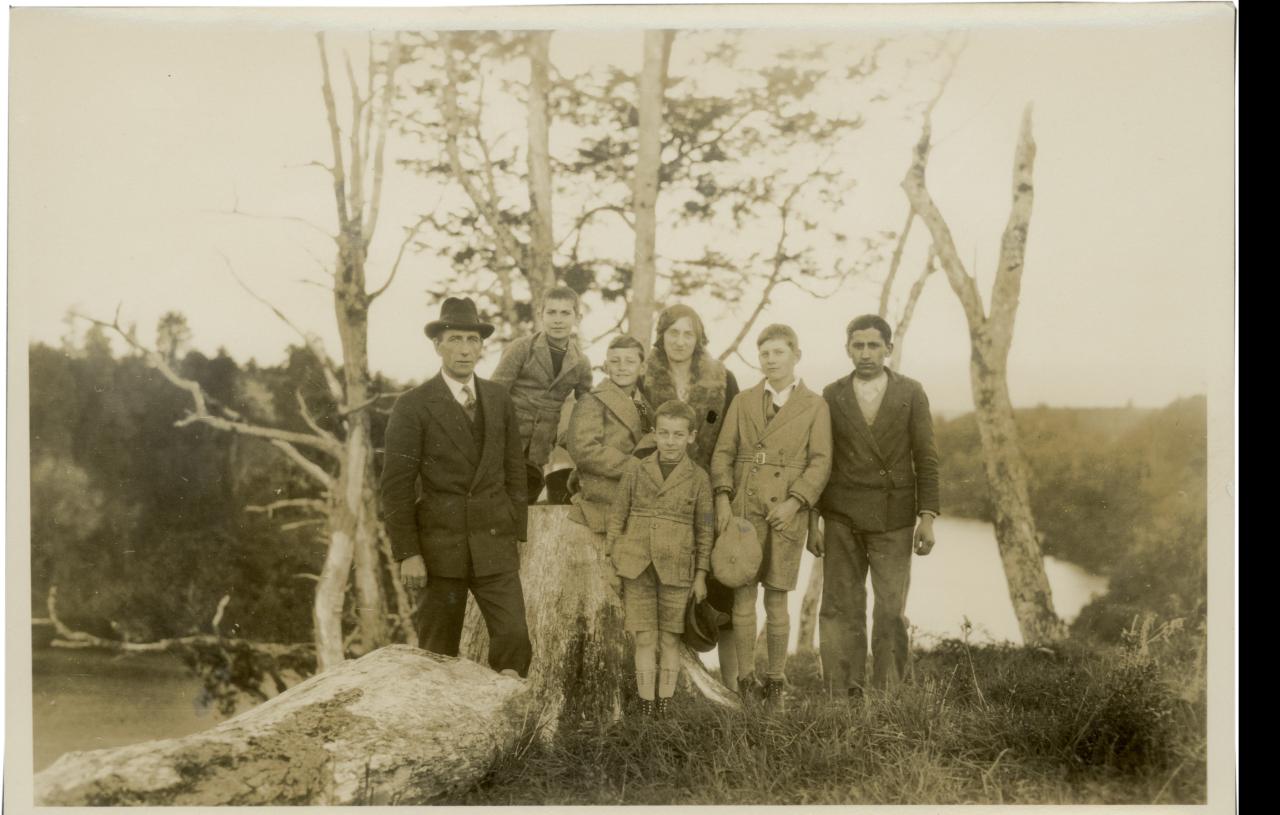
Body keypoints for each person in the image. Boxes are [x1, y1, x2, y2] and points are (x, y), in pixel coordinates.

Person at [379, 296, 532, 677]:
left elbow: (516, 469)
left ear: (482, 346)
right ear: (438, 345)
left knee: (514, 640)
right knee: (436, 655)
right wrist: (408, 553)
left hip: (494, 544)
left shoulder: (498, 399)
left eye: (472, 340)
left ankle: (510, 729)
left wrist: (515, 528)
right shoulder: (413, 405)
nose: (465, 349)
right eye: (456, 339)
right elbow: (396, 487)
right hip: (440, 550)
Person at [814, 314, 940, 700]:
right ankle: (841, 691)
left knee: (890, 609)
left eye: (873, 345)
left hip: (895, 517)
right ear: (847, 349)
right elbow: (820, 459)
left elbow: (927, 458)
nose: (865, 354)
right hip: (842, 515)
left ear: (889, 348)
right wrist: (812, 522)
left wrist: (927, 517)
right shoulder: (832, 394)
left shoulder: (911, 392)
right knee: (840, 606)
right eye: (858, 346)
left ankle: (888, 693)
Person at [710, 324, 832, 706]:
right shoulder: (743, 401)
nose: (771, 360)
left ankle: (776, 681)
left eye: (779, 353)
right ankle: (746, 681)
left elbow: (821, 461)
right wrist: (722, 498)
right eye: (765, 354)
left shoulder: (815, 405)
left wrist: (796, 502)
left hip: (785, 513)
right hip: (745, 512)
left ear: (796, 355)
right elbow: (723, 453)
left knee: (776, 600)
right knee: (743, 599)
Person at [640, 303, 743, 689]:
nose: (680, 341)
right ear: (661, 336)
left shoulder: (721, 379)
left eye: (688, 334)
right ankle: (667, 682)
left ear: (699, 338)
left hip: (709, 490)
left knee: (720, 588)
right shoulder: (643, 379)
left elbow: (732, 440)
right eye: (672, 333)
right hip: (660, 493)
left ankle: (733, 685)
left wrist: (722, 493)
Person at [606, 400, 715, 718]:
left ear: (691, 437)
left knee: (669, 640)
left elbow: (704, 531)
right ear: (654, 434)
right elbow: (617, 516)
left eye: (678, 435)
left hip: (678, 570)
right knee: (644, 638)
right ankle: (645, 702)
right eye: (664, 433)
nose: (670, 441)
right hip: (636, 565)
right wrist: (612, 560)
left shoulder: (698, 479)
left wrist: (700, 575)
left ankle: (663, 706)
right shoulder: (636, 470)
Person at [491, 286, 594, 504]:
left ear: (578, 317)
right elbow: (494, 394)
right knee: (496, 503)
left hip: (540, 447)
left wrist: (574, 443)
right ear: (541, 315)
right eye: (551, 312)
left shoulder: (581, 362)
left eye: (565, 313)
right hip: (506, 441)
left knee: (526, 504)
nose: (558, 320)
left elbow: (586, 408)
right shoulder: (521, 348)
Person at [565, 335, 655, 533]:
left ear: (642, 368)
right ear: (606, 366)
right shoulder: (592, 401)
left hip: (639, 491)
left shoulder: (644, 405)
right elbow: (583, 449)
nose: (622, 367)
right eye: (615, 361)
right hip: (604, 492)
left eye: (630, 361)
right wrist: (632, 467)